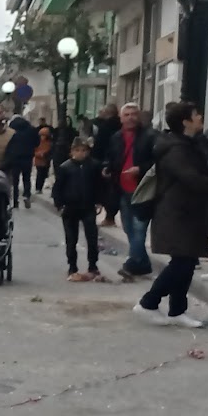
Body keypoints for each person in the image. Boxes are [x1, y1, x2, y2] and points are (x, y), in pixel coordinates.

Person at [133, 101, 208, 327]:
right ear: (186, 121)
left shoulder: (190, 143)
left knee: (187, 261)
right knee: (181, 262)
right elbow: (193, 179)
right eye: (196, 114)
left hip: (187, 212)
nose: (200, 117)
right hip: (175, 213)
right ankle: (148, 303)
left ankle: (177, 311)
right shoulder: (176, 149)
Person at [101, 102, 157, 280]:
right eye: (127, 114)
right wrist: (107, 167)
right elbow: (111, 156)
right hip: (122, 188)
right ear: (121, 118)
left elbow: (157, 161)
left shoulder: (150, 136)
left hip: (143, 189)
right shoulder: (116, 137)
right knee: (128, 228)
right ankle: (143, 264)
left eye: (134, 114)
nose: (131, 117)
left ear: (139, 116)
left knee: (139, 228)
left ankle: (131, 264)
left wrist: (140, 169)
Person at [52, 136, 103, 282]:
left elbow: (99, 185)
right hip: (70, 207)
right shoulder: (65, 167)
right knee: (71, 238)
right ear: (71, 151)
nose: (80, 153)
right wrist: (59, 204)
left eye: (84, 150)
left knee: (92, 238)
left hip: (88, 206)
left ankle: (92, 265)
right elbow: (58, 188)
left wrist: (99, 201)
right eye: (77, 150)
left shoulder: (94, 166)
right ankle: (72, 266)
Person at [92, 105, 123, 227]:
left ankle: (109, 216)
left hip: (106, 160)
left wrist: (95, 158)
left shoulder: (105, 127)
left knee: (107, 189)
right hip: (120, 160)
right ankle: (111, 214)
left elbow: (99, 145)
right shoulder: (121, 126)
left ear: (107, 113)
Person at [5, 112, 38, 207]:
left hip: (14, 157)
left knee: (15, 180)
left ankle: (15, 201)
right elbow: (37, 142)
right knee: (27, 178)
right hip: (28, 156)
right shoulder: (31, 129)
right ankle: (26, 195)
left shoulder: (10, 130)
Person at [33, 122, 54, 193]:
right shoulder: (37, 142)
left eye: (44, 135)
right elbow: (34, 151)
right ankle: (38, 188)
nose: (43, 137)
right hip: (39, 160)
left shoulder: (49, 143)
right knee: (39, 174)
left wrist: (46, 154)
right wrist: (39, 154)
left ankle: (40, 187)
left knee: (44, 174)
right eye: (42, 135)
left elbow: (50, 150)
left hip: (45, 160)